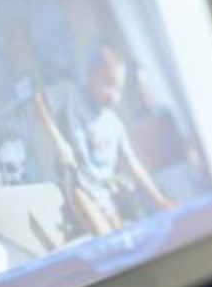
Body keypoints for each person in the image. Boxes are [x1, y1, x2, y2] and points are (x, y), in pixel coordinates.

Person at [34, 41, 177, 235]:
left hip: (105, 194)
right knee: (105, 236)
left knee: (122, 238)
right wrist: (59, 142)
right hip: (79, 186)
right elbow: (39, 100)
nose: (114, 96)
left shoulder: (115, 124)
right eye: (108, 84)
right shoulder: (71, 94)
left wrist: (159, 199)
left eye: (119, 89)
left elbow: (133, 164)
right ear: (91, 75)